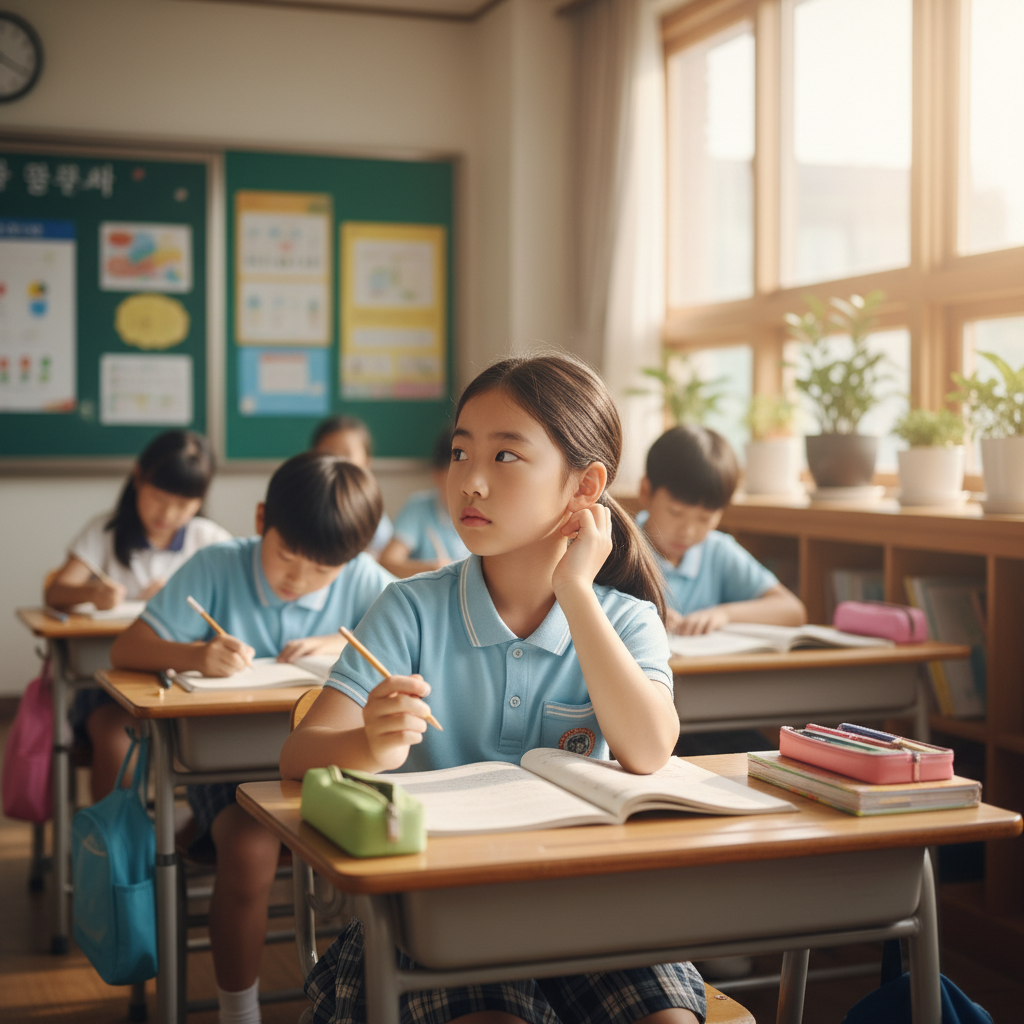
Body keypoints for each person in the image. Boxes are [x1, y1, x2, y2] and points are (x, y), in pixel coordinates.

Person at [281, 355, 705, 1024]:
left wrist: (576, 593)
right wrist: (366, 741)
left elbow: (649, 751)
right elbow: (298, 757)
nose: (470, 482)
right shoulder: (409, 609)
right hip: (434, 910)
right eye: (459, 453)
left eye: (506, 457)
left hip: (592, 904)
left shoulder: (626, 618)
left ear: (583, 486)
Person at [111, 452, 395, 1024]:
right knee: (250, 846)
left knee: (392, 835)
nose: (299, 578)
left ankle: (370, 992)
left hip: (331, 767)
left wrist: (329, 644)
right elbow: (126, 651)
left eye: (323, 570)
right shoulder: (216, 565)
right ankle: (238, 1010)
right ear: (262, 518)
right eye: (287, 555)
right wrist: (195, 654)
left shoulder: (367, 580)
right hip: (231, 771)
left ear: (354, 557)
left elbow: (408, 660)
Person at [45, 430, 230, 801]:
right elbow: (55, 593)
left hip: (188, 685)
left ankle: (187, 838)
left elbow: (234, 608)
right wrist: (92, 593)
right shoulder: (105, 531)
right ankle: (111, 847)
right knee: (117, 743)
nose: (168, 514)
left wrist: (177, 597)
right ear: (137, 477)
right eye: (159, 498)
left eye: (184, 505)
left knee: (225, 747)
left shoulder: (208, 540)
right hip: (108, 689)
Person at [638, 425, 806, 636]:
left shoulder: (716, 551)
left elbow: (792, 611)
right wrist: (638, 617)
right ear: (646, 492)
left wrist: (723, 614)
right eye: (676, 512)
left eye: (705, 518)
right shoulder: (617, 547)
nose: (688, 532)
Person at [379, 427, 470, 578]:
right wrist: (431, 569)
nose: (465, 489)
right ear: (436, 474)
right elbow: (388, 561)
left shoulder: (488, 512)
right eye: (454, 478)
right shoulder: (419, 507)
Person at [311, 415, 393, 558]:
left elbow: (384, 556)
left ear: (367, 462)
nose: (337, 462)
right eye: (328, 453)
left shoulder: (372, 511)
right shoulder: (306, 501)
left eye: (347, 455)